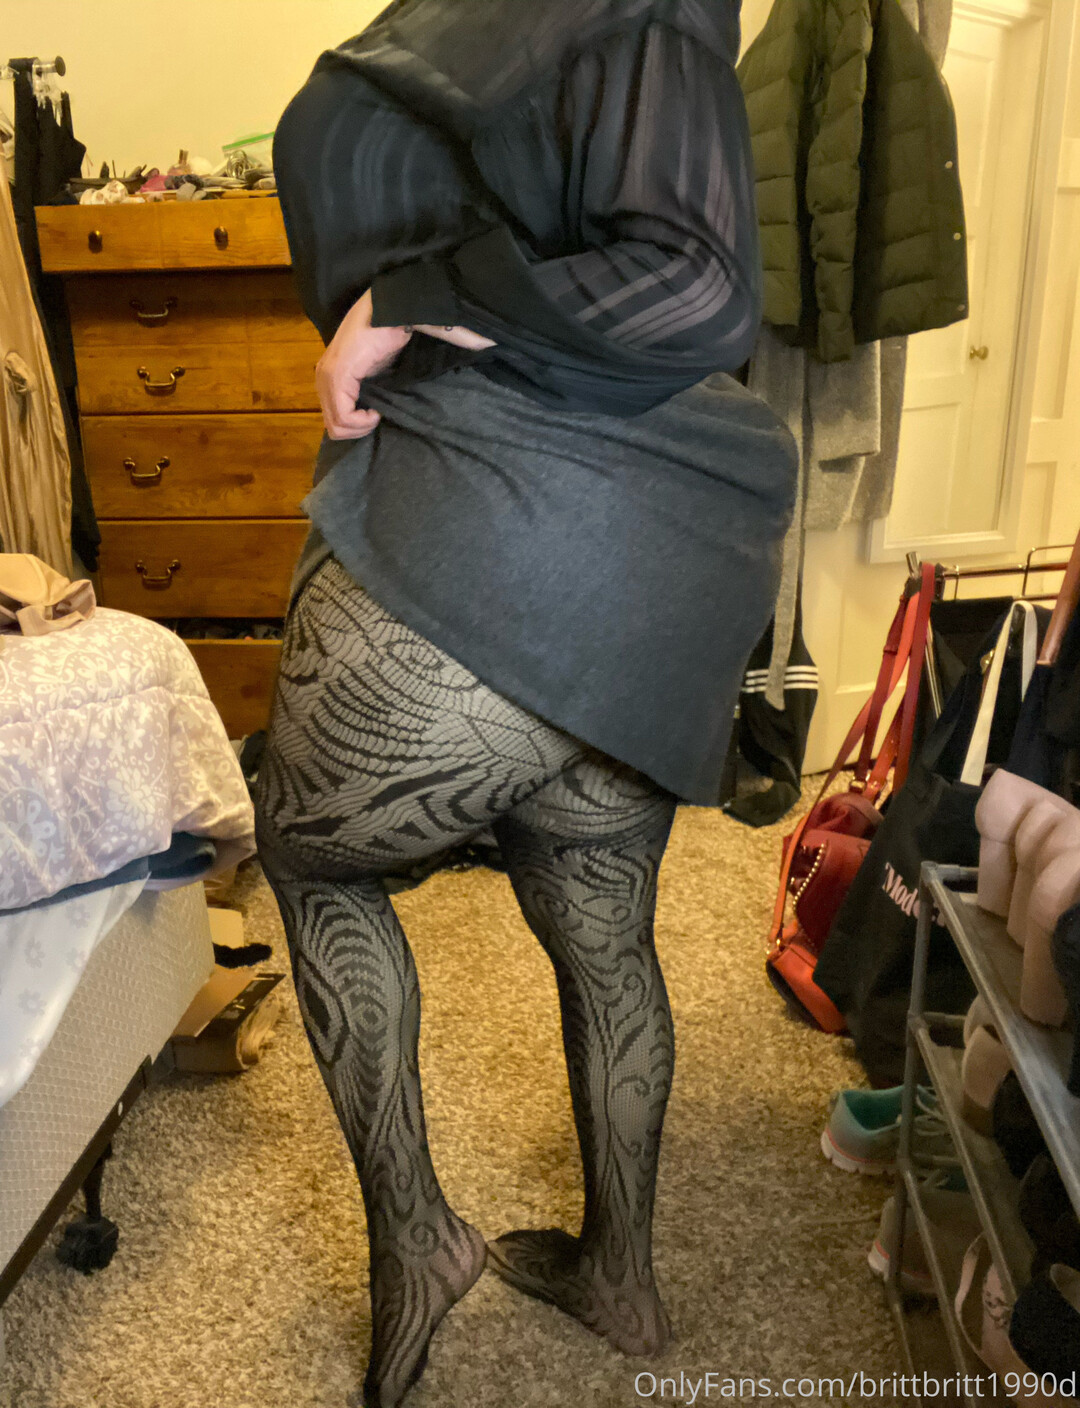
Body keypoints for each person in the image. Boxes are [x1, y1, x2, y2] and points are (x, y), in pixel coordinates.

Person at [255, 2, 797, 1405]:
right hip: (651, 549)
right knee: (602, 928)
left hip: (493, 522)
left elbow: (698, 285)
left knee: (311, 862)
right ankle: (621, 1279)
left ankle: (420, 1243)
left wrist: (409, 297)